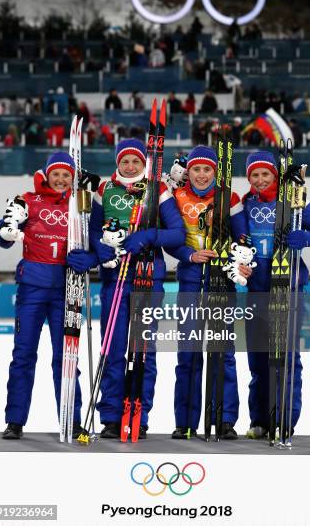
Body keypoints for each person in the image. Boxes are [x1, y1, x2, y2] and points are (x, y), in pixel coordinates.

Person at [84, 139, 185, 439]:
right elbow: (92, 228)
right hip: (115, 276)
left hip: (146, 276)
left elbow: (177, 234)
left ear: (145, 163)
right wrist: (99, 249)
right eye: (125, 161)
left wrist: (149, 236)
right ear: (118, 163)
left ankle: (139, 413)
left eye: (136, 162)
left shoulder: (158, 190)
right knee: (112, 348)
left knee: (143, 350)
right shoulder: (105, 189)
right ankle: (112, 415)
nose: (130, 166)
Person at [242, 151, 310, 438]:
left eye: (265, 174)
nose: (259, 180)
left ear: (275, 176)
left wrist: (307, 238)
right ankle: (259, 419)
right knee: (258, 358)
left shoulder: (295, 202)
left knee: (286, 357)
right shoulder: (244, 204)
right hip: (257, 288)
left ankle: (285, 418)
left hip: (289, 288)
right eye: (254, 175)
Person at [0, 152, 84, 440]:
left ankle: (72, 420)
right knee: (23, 355)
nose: (60, 179)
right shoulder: (28, 199)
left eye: (66, 175)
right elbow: (4, 234)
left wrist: (91, 257)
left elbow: (96, 239)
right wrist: (6, 235)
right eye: (55, 174)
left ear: (73, 178)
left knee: (66, 358)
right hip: (32, 288)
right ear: (46, 175)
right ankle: (15, 420)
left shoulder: (79, 204)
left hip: (66, 289)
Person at [166, 146, 247, 440]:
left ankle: (224, 418)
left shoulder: (230, 198)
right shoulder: (177, 197)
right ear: (189, 172)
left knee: (222, 351)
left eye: (207, 170)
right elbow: (171, 240)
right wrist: (189, 255)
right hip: (189, 280)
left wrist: (239, 260)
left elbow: (242, 237)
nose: (201, 175)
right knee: (188, 353)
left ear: (215, 172)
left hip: (220, 282)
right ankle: (185, 420)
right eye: (197, 169)